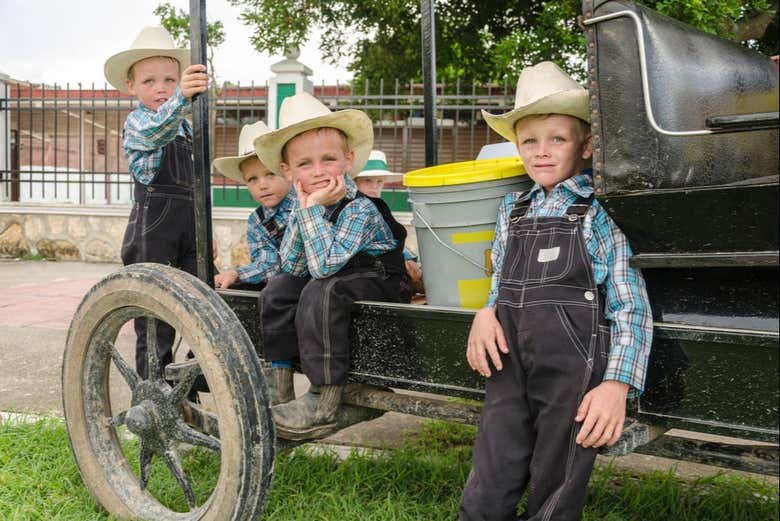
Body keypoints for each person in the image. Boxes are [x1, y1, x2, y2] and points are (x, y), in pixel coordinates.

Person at [459, 62, 653, 520]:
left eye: (557, 139)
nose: (541, 152)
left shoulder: (597, 214)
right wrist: (486, 312)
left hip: (573, 364)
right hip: (508, 361)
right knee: (493, 460)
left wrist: (615, 384)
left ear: (585, 147)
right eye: (530, 140)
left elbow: (631, 305)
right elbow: (501, 276)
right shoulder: (513, 208)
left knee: (557, 472)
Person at [253, 92, 411, 439]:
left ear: (348, 160)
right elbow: (292, 266)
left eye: (328, 159)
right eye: (305, 164)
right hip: (338, 281)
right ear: (288, 171)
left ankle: (322, 401)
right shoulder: (304, 205)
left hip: (379, 279)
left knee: (322, 289)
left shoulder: (360, 208)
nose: (319, 171)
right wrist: (305, 212)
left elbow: (325, 267)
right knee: (279, 288)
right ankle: (277, 389)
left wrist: (310, 212)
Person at [104, 26, 209, 380]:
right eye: (149, 81)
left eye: (169, 79)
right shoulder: (138, 123)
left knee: (203, 302)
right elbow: (156, 132)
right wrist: (182, 99)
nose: (162, 88)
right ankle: (153, 394)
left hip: (188, 227)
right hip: (154, 231)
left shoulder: (185, 127)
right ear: (131, 87)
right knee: (154, 321)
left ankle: (191, 379)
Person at [211, 121, 294, 292]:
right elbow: (268, 262)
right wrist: (236, 274)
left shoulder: (305, 204)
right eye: (252, 179)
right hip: (280, 282)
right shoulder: (257, 220)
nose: (262, 185)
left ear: (286, 171)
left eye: (270, 174)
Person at [354, 150, 424, 295]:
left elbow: (390, 237)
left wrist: (408, 258)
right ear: (355, 182)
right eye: (368, 181)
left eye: (379, 181)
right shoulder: (354, 209)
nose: (375, 186)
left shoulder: (380, 208)